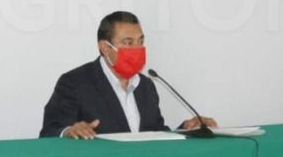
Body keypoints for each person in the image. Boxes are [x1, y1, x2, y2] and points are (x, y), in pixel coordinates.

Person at [40, 11, 217, 139]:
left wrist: (186, 129)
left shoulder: (146, 86)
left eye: (140, 41)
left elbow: (154, 134)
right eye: (128, 42)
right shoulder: (75, 82)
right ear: (105, 47)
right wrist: (68, 132)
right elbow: (49, 133)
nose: (137, 49)